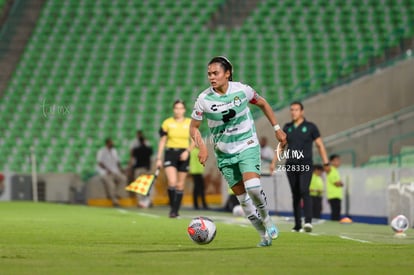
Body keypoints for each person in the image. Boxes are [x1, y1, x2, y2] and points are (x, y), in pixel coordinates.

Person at [189, 56, 287, 247]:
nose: (211, 77)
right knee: (243, 201)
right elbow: (193, 128)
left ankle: (266, 218)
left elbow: (263, 103)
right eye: (209, 74)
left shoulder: (243, 90)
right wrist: (202, 146)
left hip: (247, 145)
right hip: (224, 154)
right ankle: (263, 236)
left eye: (215, 73)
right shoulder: (203, 99)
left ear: (227, 74)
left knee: (253, 188)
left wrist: (277, 129)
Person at [271, 101, 329, 233]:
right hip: (291, 165)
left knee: (304, 190)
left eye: (296, 110)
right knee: (295, 194)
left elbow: (320, 144)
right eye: (291, 110)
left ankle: (308, 222)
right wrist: (274, 162)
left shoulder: (310, 127)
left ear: (302, 111)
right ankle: (297, 225)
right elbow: (282, 146)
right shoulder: (287, 127)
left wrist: (326, 162)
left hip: (306, 164)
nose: (293, 112)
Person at [155, 99, 194, 218]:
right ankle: (173, 208)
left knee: (180, 185)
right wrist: (158, 158)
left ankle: (175, 211)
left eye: (181, 108)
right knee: (172, 182)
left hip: (184, 153)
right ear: (173, 109)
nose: (178, 110)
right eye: (176, 108)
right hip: (170, 153)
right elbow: (162, 141)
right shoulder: (167, 123)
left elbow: (194, 140)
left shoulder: (190, 122)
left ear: (184, 110)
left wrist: (187, 151)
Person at [96, 138, 127, 207]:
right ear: (107, 143)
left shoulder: (114, 151)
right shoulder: (101, 151)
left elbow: (117, 161)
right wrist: (107, 170)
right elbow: (100, 163)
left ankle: (117, 194)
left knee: (123, 179)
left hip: (114, 171)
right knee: (111, 185)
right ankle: (115, 201)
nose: (112, 144)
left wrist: (121, 169)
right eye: (111, 143)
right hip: (105, 172)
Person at [130, 131, 153, 208]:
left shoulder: (136, 150)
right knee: (147, 186)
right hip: (146, 169)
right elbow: (150, 159)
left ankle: (140, 201)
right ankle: (147, 201)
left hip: (138, 169)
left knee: (138, 186)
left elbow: (133, 160)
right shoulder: (149, 149)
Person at [326, 154, 344, 221]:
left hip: (337, 196)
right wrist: (341, 183)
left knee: (337, 213)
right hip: (333, 196)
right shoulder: (331, 170)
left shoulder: (335, 171)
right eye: (336, 161)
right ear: (331, 162)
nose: (338, 162)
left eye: (339, 161)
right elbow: (336, 183)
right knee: (335, 214)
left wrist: (340, 183)